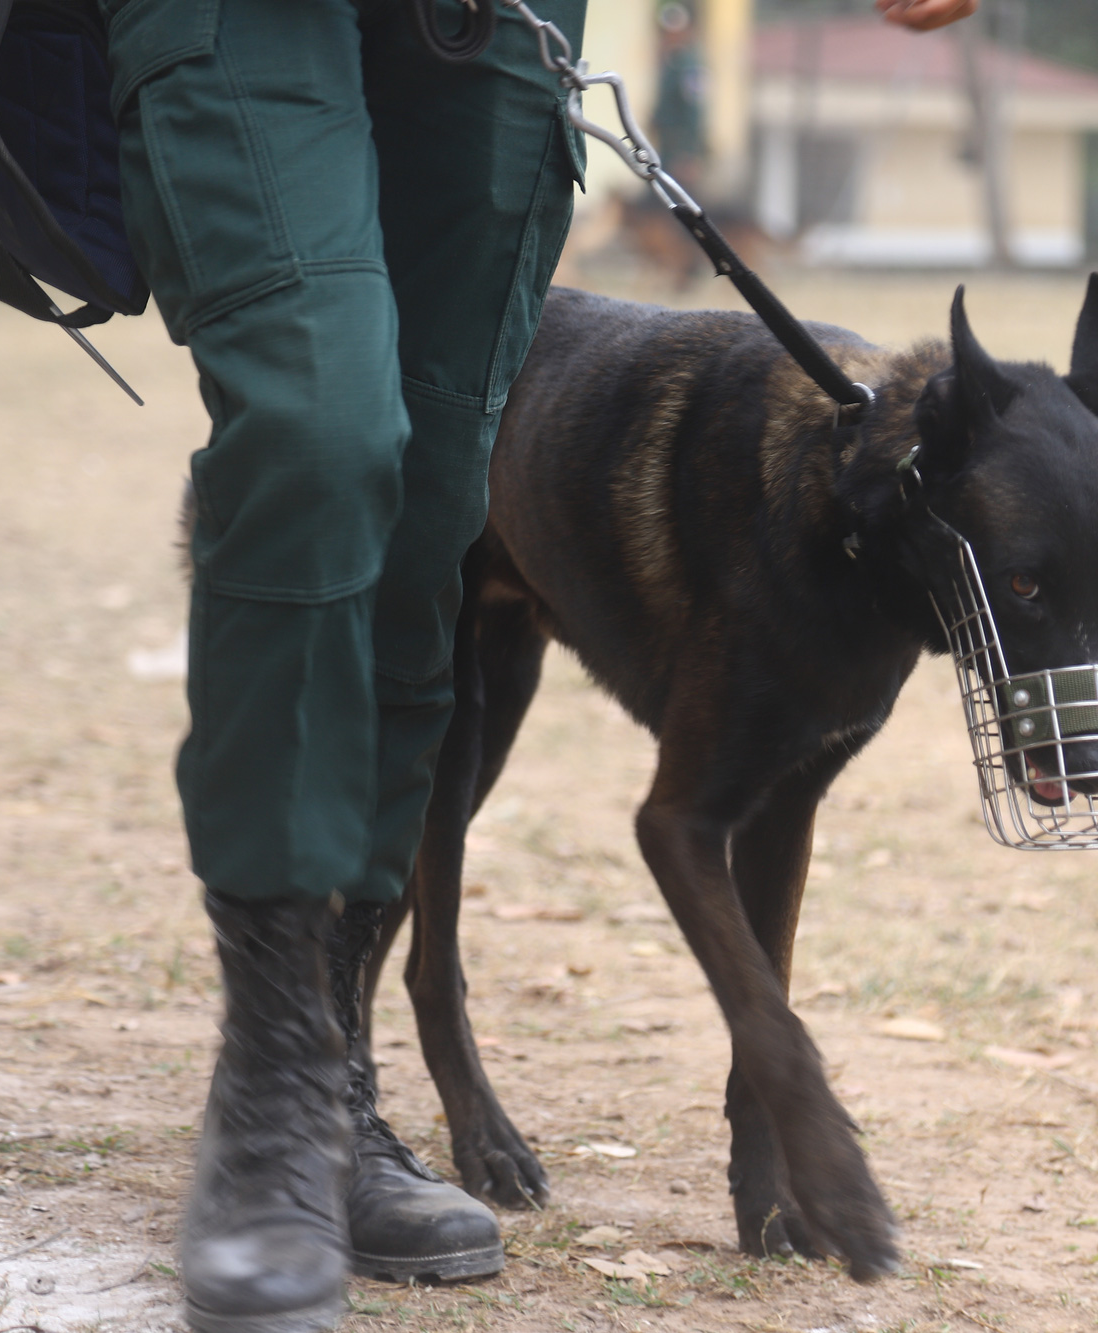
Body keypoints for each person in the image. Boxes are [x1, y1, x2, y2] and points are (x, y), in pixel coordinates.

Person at [98, 0, 976, 1329]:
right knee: (325, 428)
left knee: (434, 490)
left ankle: (338, 1061)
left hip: (483, 27)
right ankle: (281, 1075)